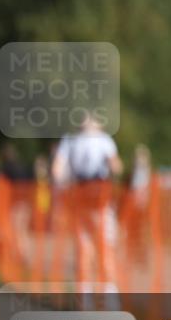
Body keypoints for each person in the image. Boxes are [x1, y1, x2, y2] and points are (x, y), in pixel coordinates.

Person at [52, 113, 124, 305]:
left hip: (80, 197)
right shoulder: (103, 140)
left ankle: (86, 298)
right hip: (98, 198)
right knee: (103, 246)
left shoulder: (70, 140)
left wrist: (61, 188)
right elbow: (116, 166)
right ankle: (107, 298)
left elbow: (57, 170)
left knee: (85, 247)